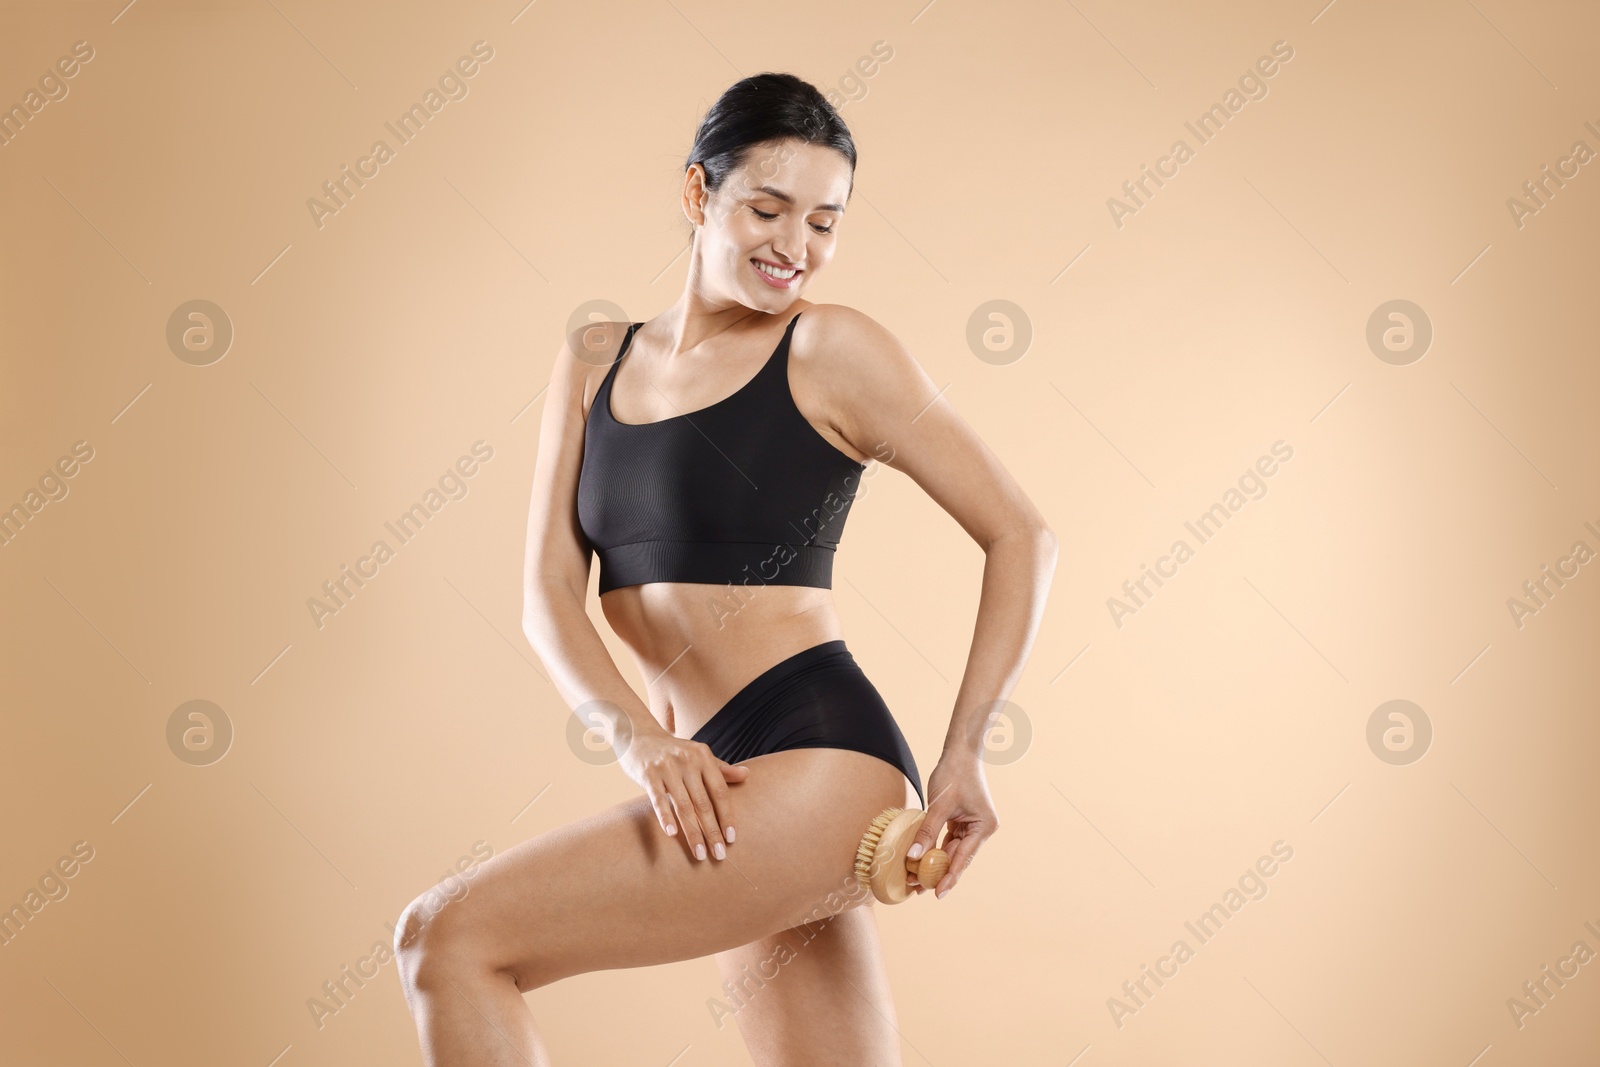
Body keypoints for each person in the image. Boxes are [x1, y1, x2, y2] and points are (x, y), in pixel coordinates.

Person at [396, 71, 1057, 1065]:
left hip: (818, 758)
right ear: (700, 194)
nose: (795, 247)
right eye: (768, 207)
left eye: (824, 222)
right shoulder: (594, 358)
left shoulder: (831, 349)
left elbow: (1020, 533)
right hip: (710, 770)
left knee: (447, 936)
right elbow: (546, 597)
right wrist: (640, 745)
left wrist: (964, 753)